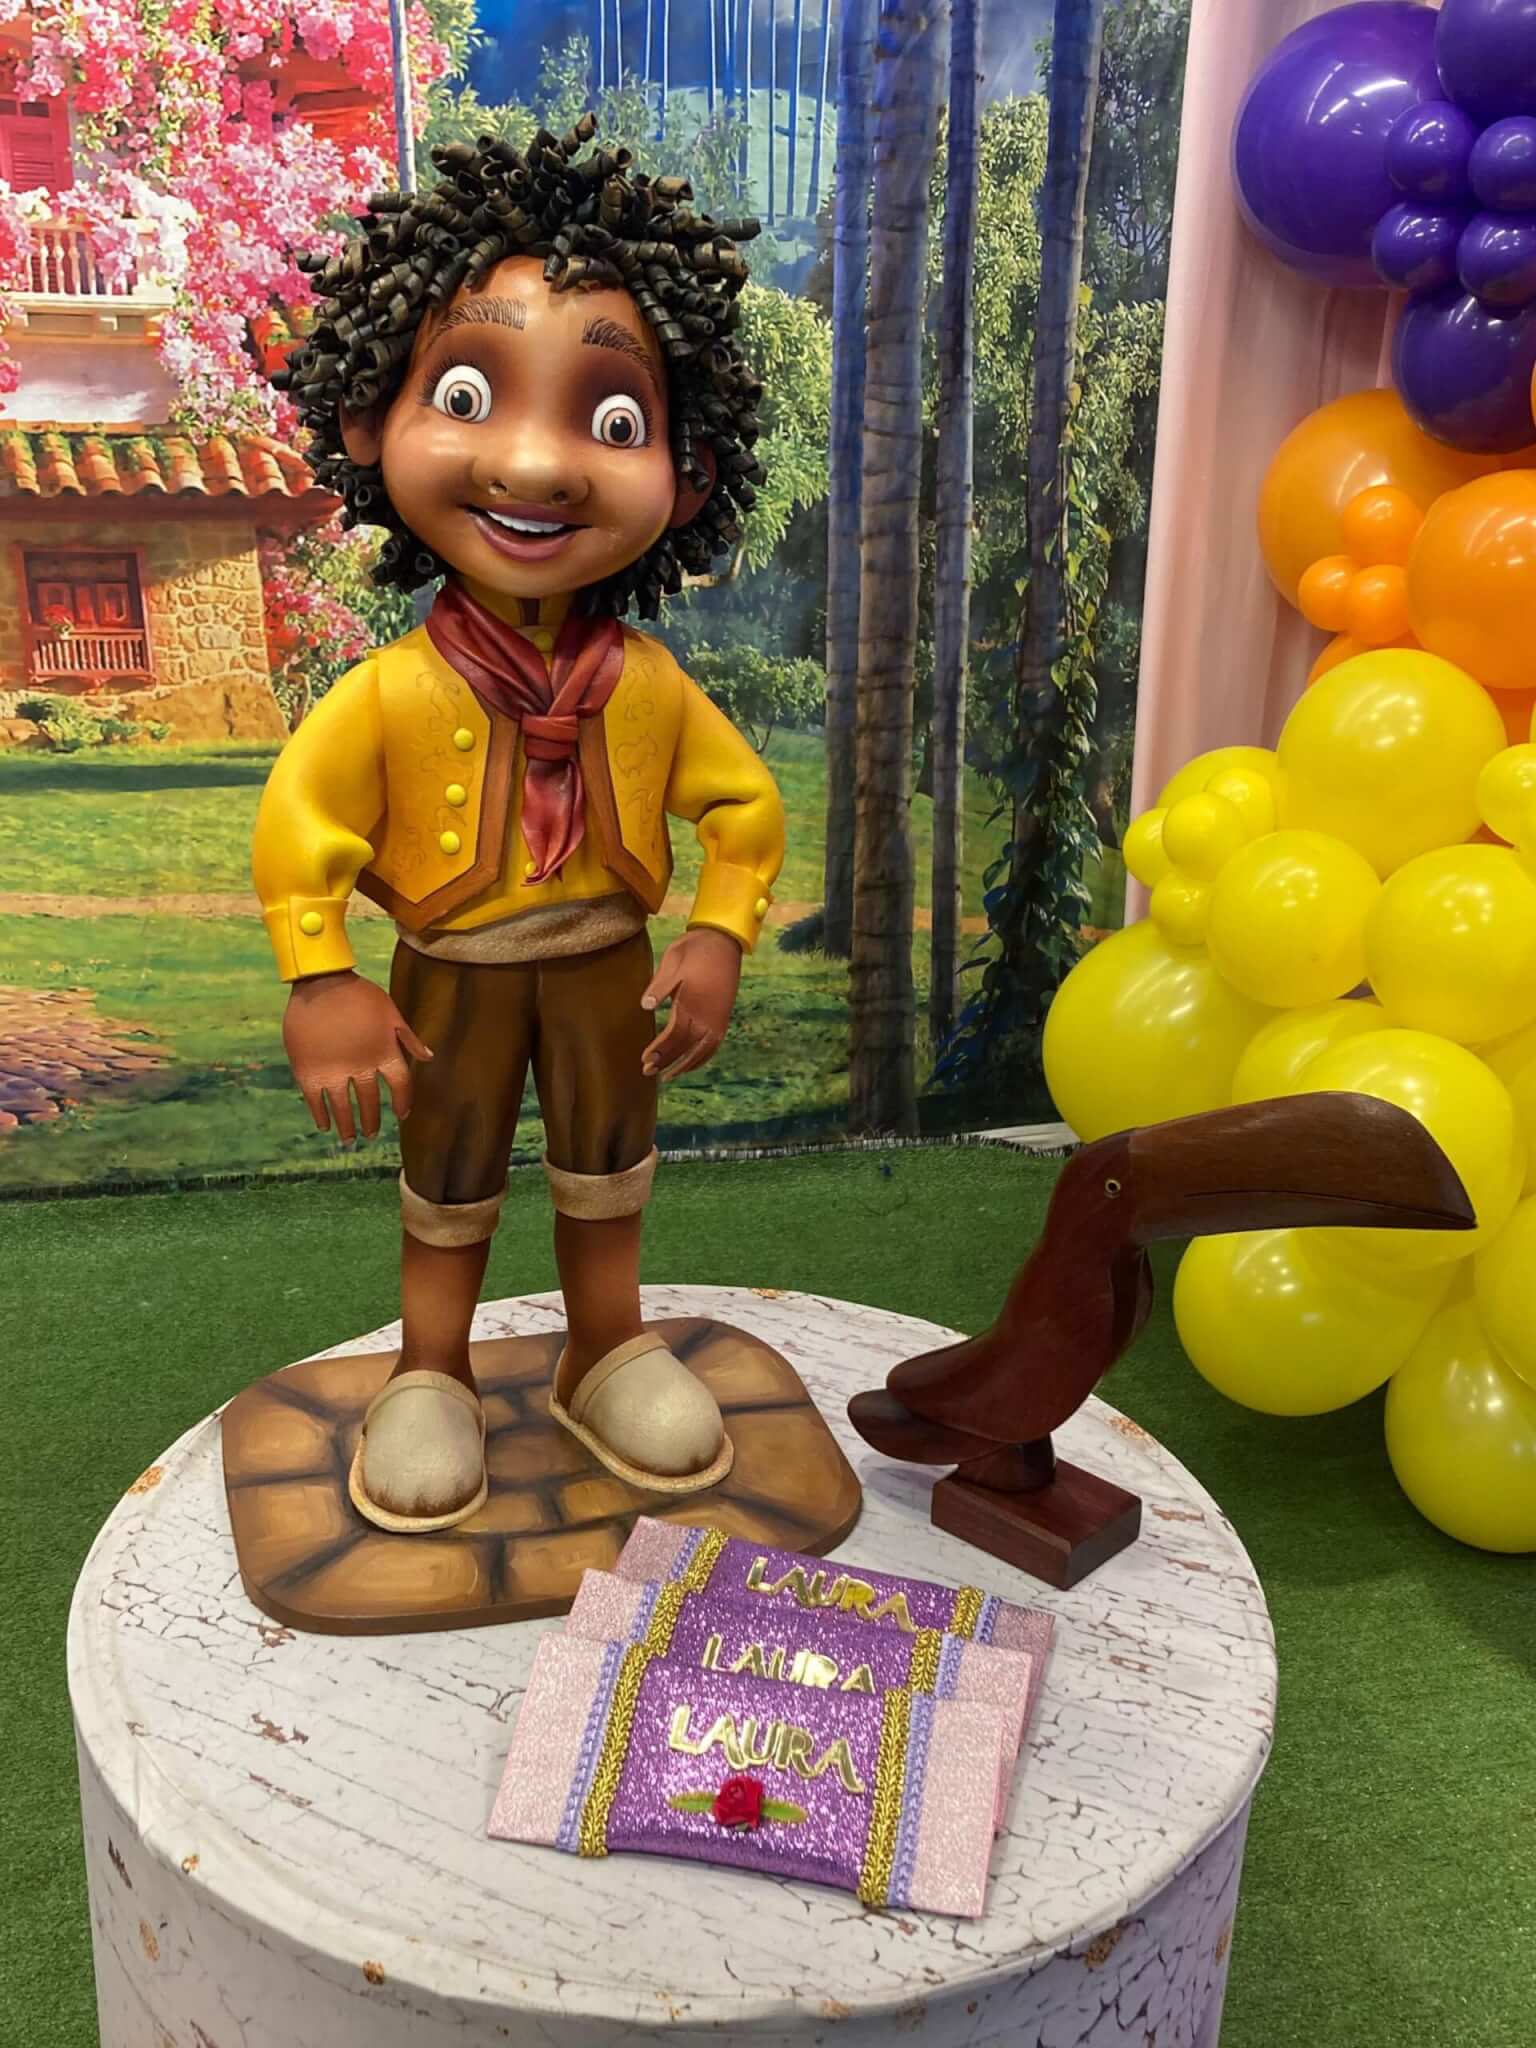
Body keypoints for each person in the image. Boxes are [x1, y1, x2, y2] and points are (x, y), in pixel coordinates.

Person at [252, 117, 785, 1533]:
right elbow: (304, 820)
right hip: (454, 975)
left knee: (609, 1157)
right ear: (369, 422)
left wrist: (719, 931)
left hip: (608, 963)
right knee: (449, 1164)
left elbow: (743, 802)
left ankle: (604, 1345)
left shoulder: (651, 687)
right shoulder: (388, 694)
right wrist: (319, 973)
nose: (538, 466)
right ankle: (430, 1367)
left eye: (613, 421)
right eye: (468, 394)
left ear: (689, 473)